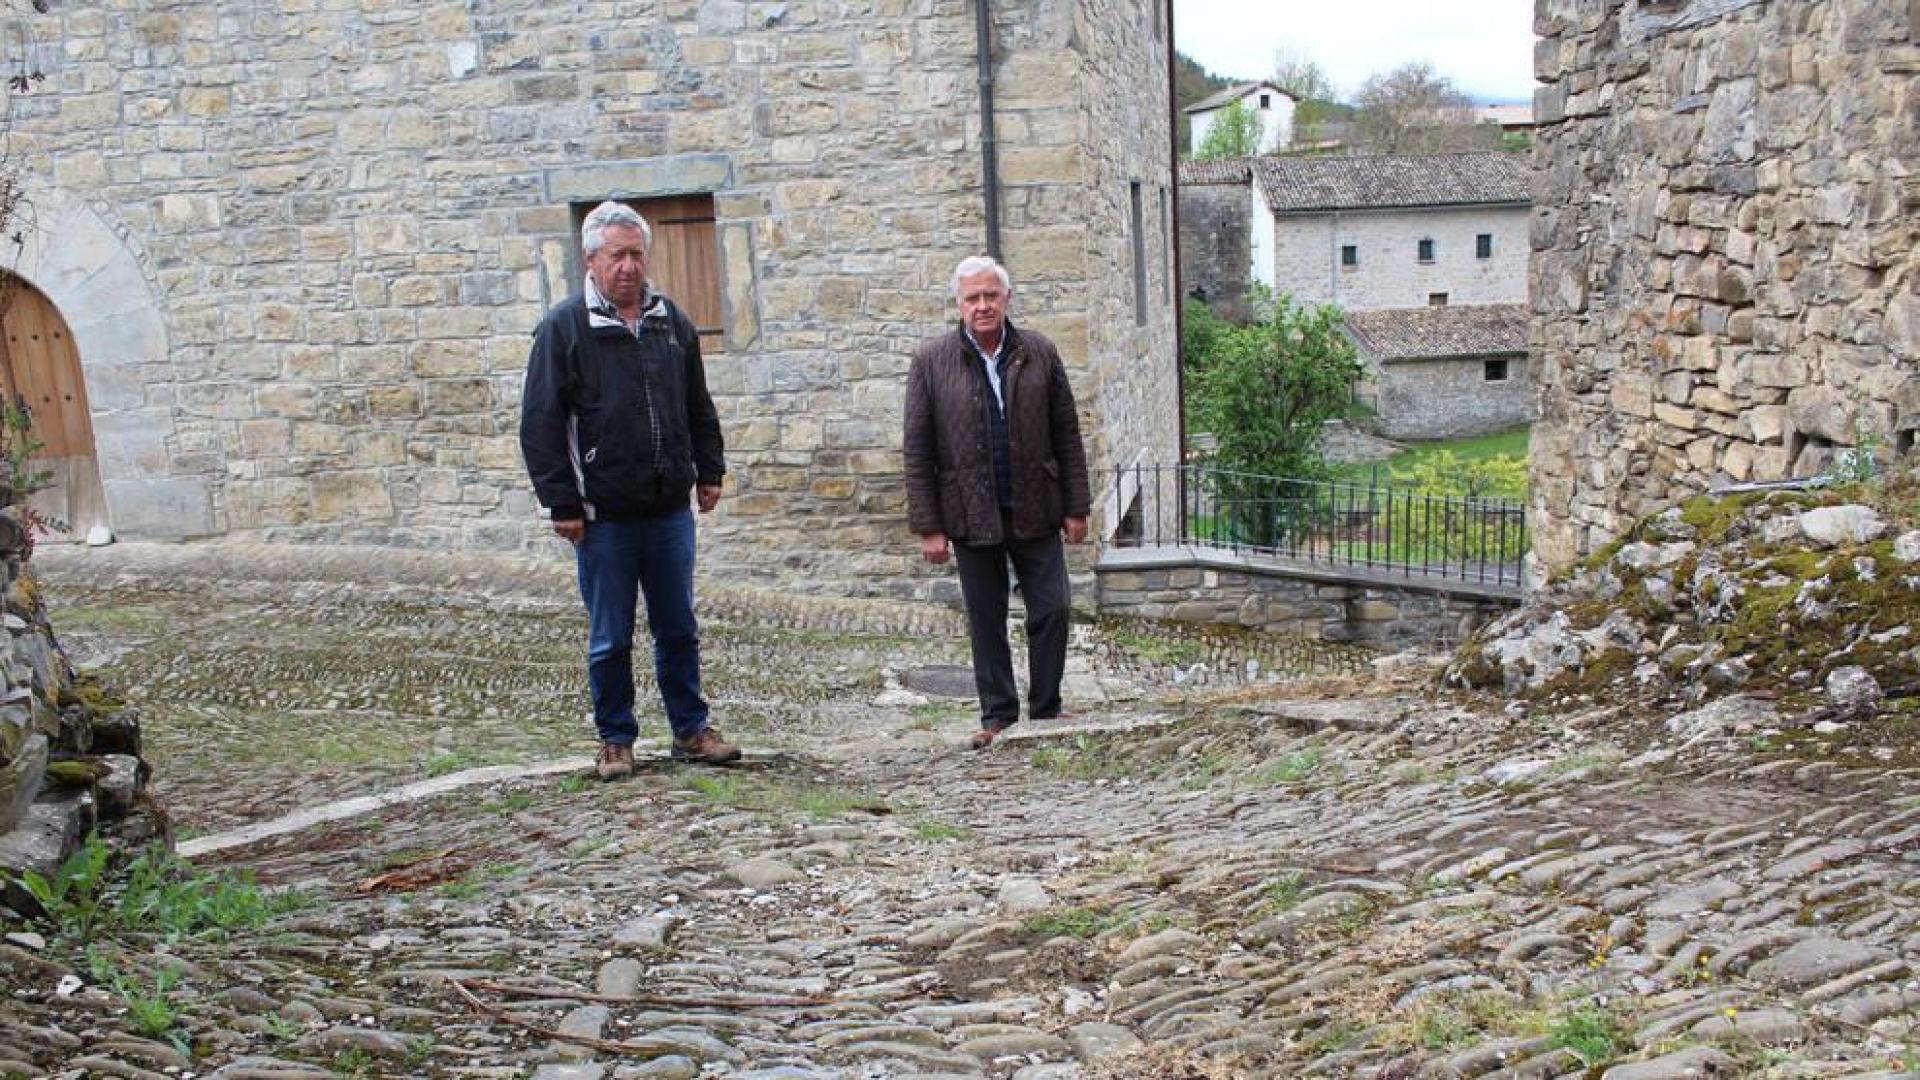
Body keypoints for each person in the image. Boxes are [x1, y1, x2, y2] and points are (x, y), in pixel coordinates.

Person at [519, 200, 740, 780]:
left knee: (678, 628)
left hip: (668, 511)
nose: (629, 266)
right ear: (590, 259)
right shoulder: (563, 329)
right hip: (604, 519)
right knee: (610, 636)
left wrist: (709, 469)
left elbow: (698, 403)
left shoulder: (672, 323)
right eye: (617, 255)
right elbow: (540, 423)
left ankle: (691, 730)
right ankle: (616, 739)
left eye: (637, 254)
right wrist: (562, 502)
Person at [903, 255, 1091, 750]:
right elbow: (918, 447)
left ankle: (1046, 706)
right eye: (973, 298)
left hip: (1036, 504)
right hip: (969, 512)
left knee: (1052, 608)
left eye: (991, 295)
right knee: (986, 619)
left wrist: (1077, 507)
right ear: (959, 304)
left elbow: (1067, 433)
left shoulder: (1041, 352)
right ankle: (998, 715)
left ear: (1006, 298)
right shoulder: (931, 362)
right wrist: (929, 525)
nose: (983, 305)